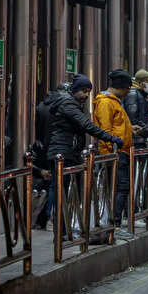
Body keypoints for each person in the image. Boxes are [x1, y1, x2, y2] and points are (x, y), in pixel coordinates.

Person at [46, 74, 124, 234]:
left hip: (67, 152)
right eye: (83, 91)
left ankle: (64, 232)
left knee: (66, 192)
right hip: (63, 153)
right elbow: (86, 124)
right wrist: (110, 138)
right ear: (75, 90)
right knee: (63, 192)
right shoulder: (68, 104)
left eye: (88, 91)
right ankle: (60, 234)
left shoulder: (70, 103)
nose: (86, 95)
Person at [92, 69, 135, 239]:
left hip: (120, 151)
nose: (127, 92)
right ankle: (114, 226)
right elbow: (105, 129)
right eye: (127, 88)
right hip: (113, 153)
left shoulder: (114, 102)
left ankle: (114, 224)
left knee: (120, 188)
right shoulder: (106, 103)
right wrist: (111, 151)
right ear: (121, 87)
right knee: (119, 188)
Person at [31, 82, 71, 230]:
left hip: (44, 149)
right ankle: (52, 217)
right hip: (58, 149)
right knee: (57, 184)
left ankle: (45, 218)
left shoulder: (41, 106)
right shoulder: (61, 107)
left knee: (52, 184)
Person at [123, 69, 148, 148]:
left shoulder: (141, 94)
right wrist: (145, 129)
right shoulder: (133, 93)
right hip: (137, 138)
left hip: (141, 138)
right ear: (140, 82)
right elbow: (133, 118)